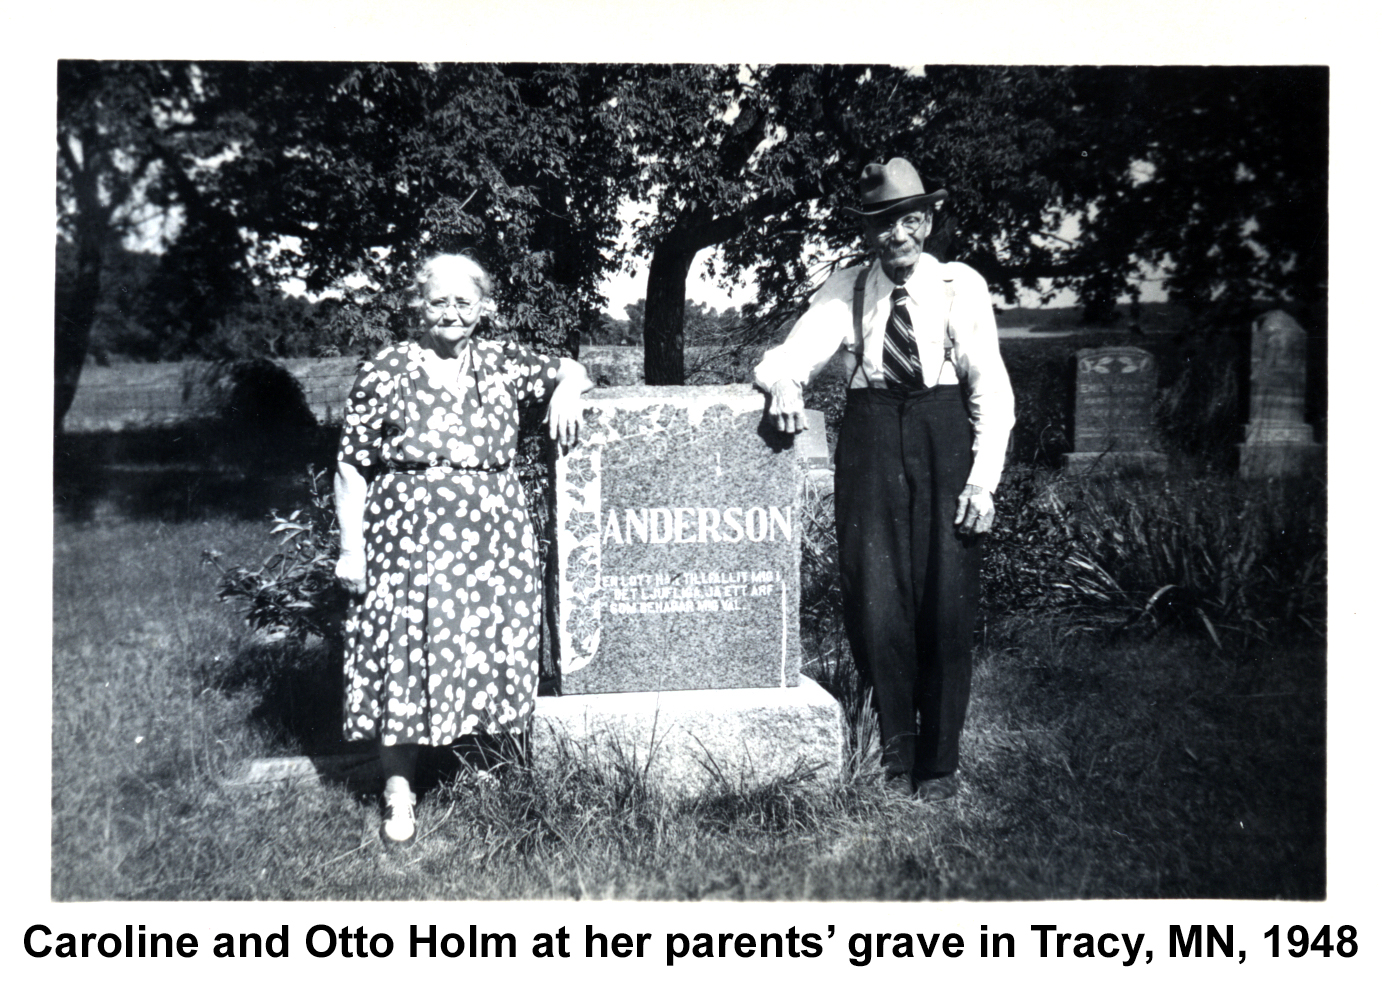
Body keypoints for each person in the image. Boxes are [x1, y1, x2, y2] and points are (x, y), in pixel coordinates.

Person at [754, 158, 1014, 802]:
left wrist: (982, 481)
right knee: (874, 594)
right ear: (868, 232)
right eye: (881, 225)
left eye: (907, 221)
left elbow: (991, 387)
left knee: (946, 596)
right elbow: (793, 353)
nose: (895, 236)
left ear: (925, 222)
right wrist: (785, 380)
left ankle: (940, 763)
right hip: (870, 435)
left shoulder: (959, 285)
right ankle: (891, 751)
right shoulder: (850, 287)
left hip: (942, 429)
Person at [334, 252, 592, 844]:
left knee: (491, 644)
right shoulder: (387, 367)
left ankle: (490, 773)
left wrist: (568, 390)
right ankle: (399, 794)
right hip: (406, 535)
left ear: (484, 309)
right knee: (404, 648)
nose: (451, 312)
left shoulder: (502, 362)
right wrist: (352, 548)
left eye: (463, 302)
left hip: (492, 536)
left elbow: (571, 368)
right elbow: (351, 464)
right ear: (417, 307)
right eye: (438, 301)